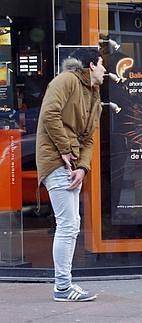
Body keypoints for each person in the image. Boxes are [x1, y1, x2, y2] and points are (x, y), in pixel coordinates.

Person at [36, 48, 106, 302]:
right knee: (68, 225)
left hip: (71, 164)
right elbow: (49, 114)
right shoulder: (66, 80)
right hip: (56, 160)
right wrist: (65, 150)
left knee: (71, 225)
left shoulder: (94, 95)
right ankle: (63, 287)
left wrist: (83, 168)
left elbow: (89, 139)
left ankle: (64, 285)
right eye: (101, 64)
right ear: (90, 66)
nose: (104, 70)